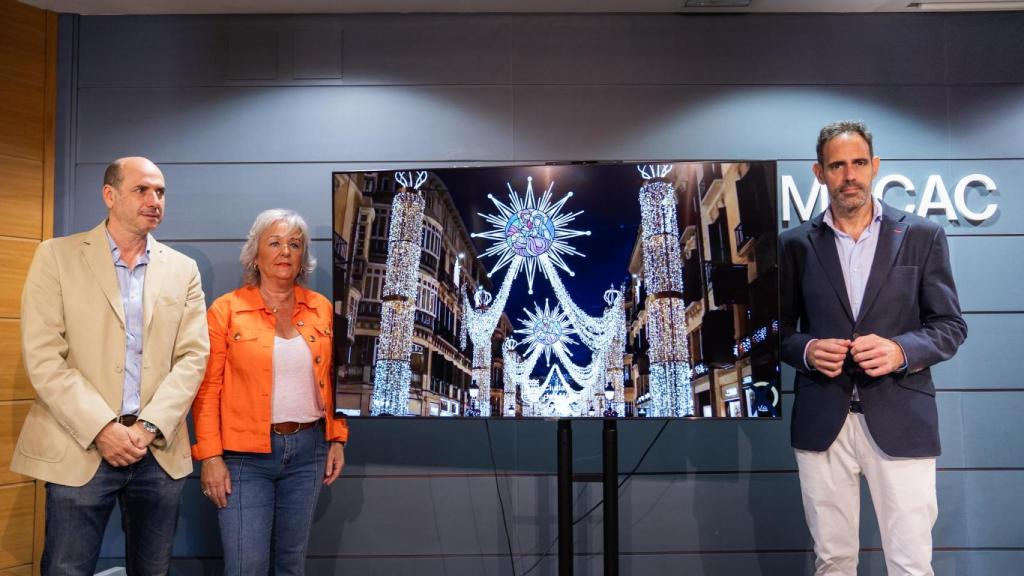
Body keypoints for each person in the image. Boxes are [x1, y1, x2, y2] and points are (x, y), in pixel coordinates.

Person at [780, 121, 968, 576]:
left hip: (902, 420)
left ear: (875, 166)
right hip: (823, 423)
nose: (850, 175)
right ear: (819, 172)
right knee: (833, 561)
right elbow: (779, 331)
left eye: (859, 163)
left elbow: (949, 326)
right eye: (838, 165)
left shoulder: (922, 236)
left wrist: (899, 350)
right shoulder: (793, 244)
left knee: (910, 564)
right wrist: (806, 350)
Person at [12, 157, 210, 575]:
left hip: (156, 448)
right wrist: (102, 428)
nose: (154, 200)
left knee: (152, 570)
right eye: (142, 190)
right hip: (79, 444)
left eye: (160, 192)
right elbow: (45, 356)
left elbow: (193, 358)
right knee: (66, 569)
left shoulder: (182, 269)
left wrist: (149, 426)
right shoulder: (56, 257)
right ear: (109, 195)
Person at [191, 208, 348, 575]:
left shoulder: (322, 309)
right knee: (247, 566)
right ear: (255, 253)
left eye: (295, 244)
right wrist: (211, 457)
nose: (285, 251)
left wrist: (337, 438)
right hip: (244, 457)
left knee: (291, 565)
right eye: (274, 243)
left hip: (309, 452)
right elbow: (207, 388)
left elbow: (336, 380)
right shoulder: (226, 310)